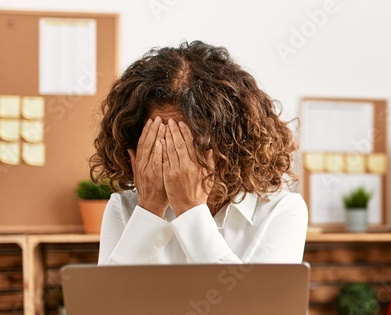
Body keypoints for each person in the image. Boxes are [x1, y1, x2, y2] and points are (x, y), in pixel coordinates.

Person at [90, 41, 307, 265]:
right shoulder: (123, 208)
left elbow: (253, 300)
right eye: (159, 139)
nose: (175, 156)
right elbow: (108, 299)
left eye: (187, 142)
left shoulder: (281, 210)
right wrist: (149, 210)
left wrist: (190, 210)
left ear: (233, 143)